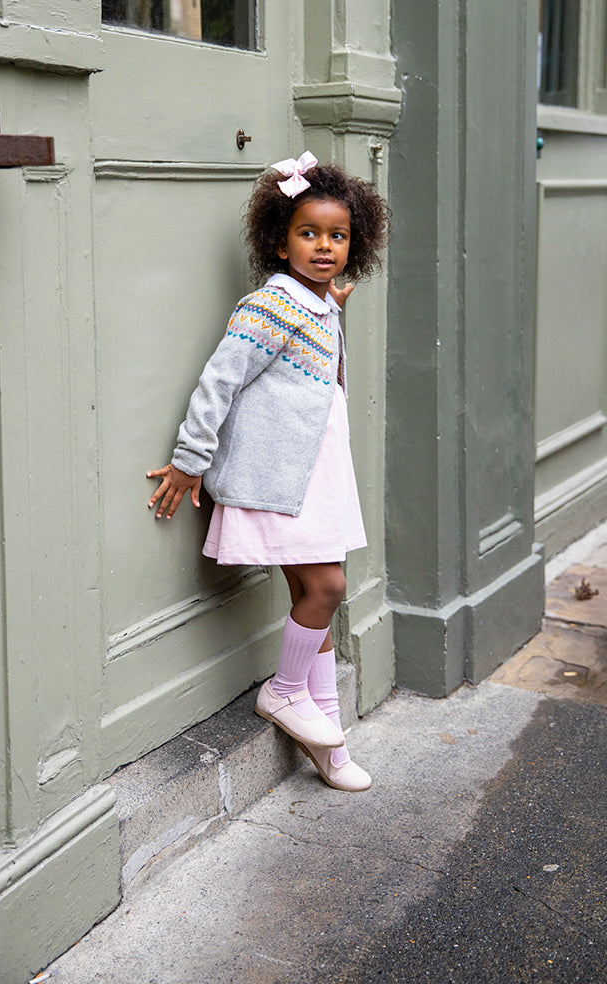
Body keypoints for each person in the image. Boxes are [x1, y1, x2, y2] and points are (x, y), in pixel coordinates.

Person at [147, 151, 390, 791]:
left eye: (338, 236)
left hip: (316, 473)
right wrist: (189, 460)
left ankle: (331, 751)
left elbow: (312, 356)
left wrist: (331, 303)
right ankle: (282, 692)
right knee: (328, 589)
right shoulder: (271, 305)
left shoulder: (319, 301)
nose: (324, 246)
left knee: (314, 602)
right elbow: (217, 382)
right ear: (279, 243)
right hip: (283, 479)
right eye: (308, 233)